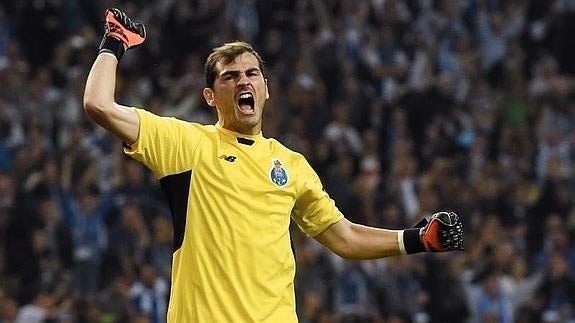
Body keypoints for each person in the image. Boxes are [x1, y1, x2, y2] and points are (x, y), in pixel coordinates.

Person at [83, 8, 464, 323]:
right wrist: (114, 43)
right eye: (229, 77)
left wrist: (417, 240)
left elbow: (344, 237)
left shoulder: (292, 165)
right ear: (210, 97)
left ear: (265, 88)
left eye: (251, 74)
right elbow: (99, 104)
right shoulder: (188, 145)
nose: (242, 82)